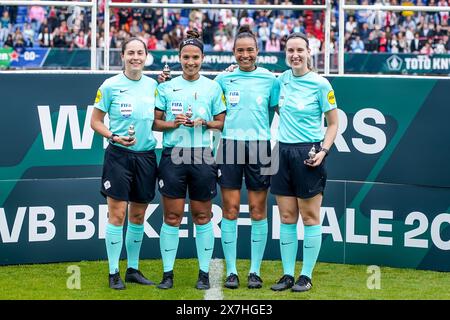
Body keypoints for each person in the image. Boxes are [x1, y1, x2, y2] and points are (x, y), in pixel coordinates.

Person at [153, 29, 226, 290]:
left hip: (203, 157)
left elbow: (221, 123)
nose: (191, 61)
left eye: (195, 57)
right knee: (171, 217)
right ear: (179, 57)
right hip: (173, 156)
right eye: (186, 57)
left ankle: (204, 273)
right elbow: (155, 122)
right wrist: (172, 124)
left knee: (202, 216)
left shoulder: (213, 86)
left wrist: (205, 123)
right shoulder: (165, 86)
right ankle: (167, 273)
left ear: (203, 58)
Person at [270, 32, 338, 292]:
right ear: (285, 54)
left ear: (309, 52)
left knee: (310, 218)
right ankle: (287, 275)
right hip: (282, 152)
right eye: (290, 50)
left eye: (300, 50)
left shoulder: (321, 84)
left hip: (308, 154)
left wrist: (324, 150)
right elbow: (276, 107)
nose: (295, 55)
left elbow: (333, 123)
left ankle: (305, 275)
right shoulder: (281, 81)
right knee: (287, 217)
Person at [214, 25, 279, 289]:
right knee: (229, 210)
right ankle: (231, 271)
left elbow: (276, 109)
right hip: (229, 146)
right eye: (240, 50)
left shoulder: (270, 79)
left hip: (260, 148)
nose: (245, 55)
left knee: (257, 210)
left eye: (250, 50)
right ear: (233, 52)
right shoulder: (223, 80)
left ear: (257, 51)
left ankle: (254, 271)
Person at [91, 37, 158, 290]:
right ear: (123, 56)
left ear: (146, 56)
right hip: (119, 155)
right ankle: (113, 272)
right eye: (131, 53)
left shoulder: (154, 85)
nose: (135, 58)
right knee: (117, 215)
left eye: (140, 53)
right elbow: (95, 121)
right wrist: (113, 136)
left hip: (146, 157)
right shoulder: (109, 86)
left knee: (139, 215)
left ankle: (133, 269)